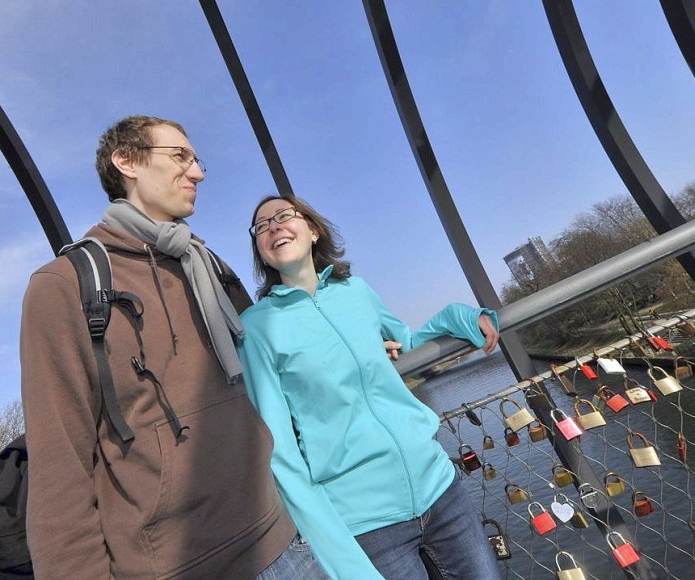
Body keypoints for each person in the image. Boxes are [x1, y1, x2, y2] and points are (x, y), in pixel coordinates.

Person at [19, 116, 328, 579]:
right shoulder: (63, 287)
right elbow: (60, 471)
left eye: (196, 160)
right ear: (126, 162)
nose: (198, 172)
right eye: (180, 156)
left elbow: (269, 369)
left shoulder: (210, 265)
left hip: (282, 542)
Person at [237, 194, 503, 580]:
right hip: (366, 524)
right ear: (262, 252)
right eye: (261, 226)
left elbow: (406, 343)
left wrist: (460, 317)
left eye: (283, 216)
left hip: (441, 487)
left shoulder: (357, 291)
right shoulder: (257, 329)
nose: (273, 226)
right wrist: (338, 556)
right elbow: (282, 455)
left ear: (312, 231)